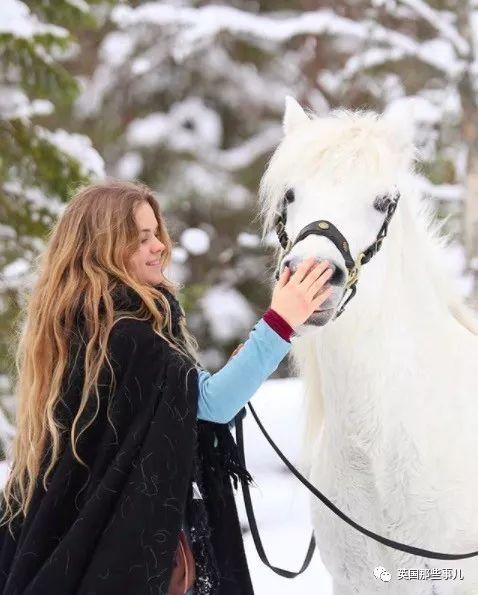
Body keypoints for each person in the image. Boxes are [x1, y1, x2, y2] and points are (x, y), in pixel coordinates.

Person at [0, 180, 333, 595]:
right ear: (105, 249)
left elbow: (186, 399)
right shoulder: (125, 335)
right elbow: (212, 402)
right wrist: (280, 322)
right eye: (142, 238)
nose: (159, 245)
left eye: (156, 232)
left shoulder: (90, 327)